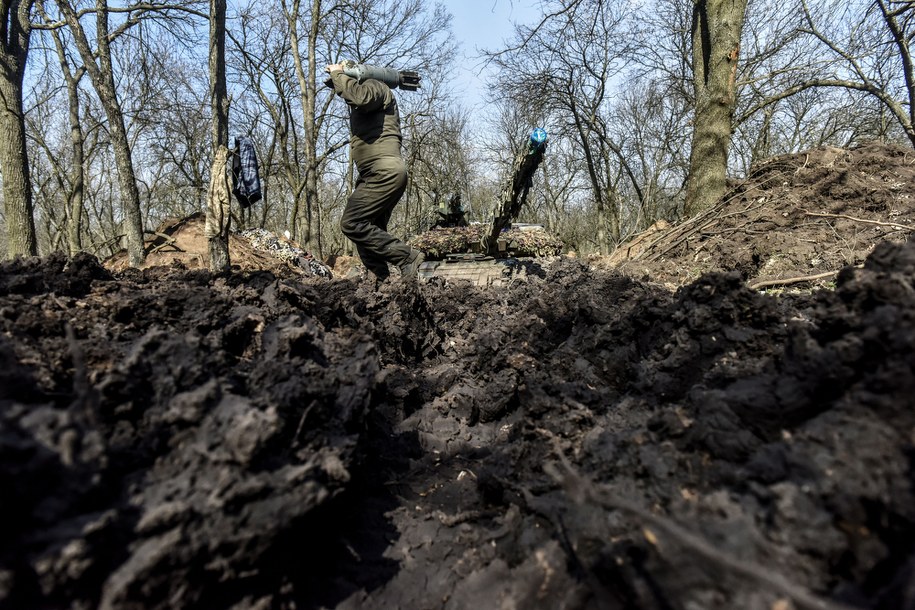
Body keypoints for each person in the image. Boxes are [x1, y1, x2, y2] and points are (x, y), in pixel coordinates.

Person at [325, 62, 425, 282]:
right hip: (376, 173)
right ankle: (379, 280)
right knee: (369, 231)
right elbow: (354, 96)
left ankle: (406, 256)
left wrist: (338, 73)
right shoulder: (372, 94)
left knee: (352, 222)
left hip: (383, 172)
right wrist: (337, 79)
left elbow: (359, 97)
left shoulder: (376, 86)